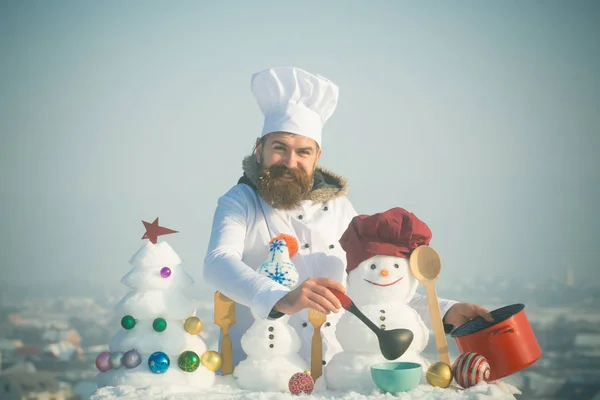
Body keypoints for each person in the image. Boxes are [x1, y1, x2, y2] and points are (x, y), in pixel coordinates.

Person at [203, 66, 492, 369]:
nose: (290, 162)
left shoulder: (340, 209)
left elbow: (373, 289)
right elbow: (217, 261)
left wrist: (444, 311)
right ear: (260, 148)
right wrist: (279, 298)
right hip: (259, 373)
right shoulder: (240, 201)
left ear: (317, 158)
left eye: (303, 152)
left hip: (333, 375)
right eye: (279, 148)